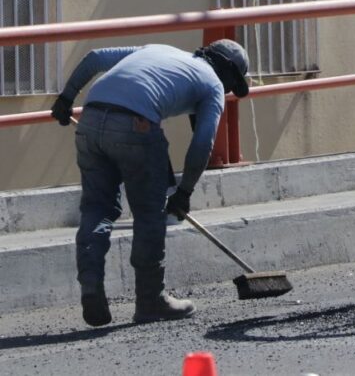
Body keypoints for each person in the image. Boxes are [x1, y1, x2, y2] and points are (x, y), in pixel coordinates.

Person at [50, 39, 250, 327]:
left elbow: (94, 57)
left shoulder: (158, 49)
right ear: (228, 73)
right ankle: (150, 300)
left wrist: (66, 98)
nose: (230, 90)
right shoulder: (213, 84)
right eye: (234, 84)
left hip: (91, 117)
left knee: (97, 208)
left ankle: (91, 285)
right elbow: (203, 143)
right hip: (136, 124)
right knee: (149, 213)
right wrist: (184, 192)